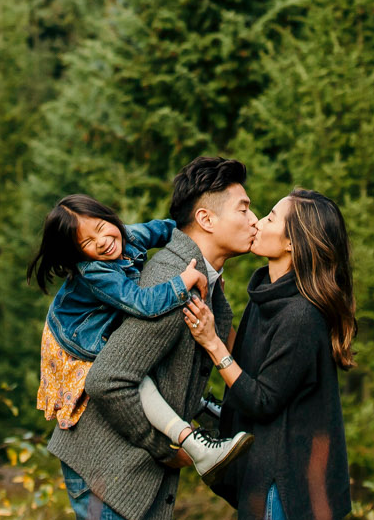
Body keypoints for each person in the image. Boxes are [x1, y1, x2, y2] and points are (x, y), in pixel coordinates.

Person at [47, 156, 259, 520]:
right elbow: (110, 382)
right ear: (206, 219)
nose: (253, 216)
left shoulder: (203, 278)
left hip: (132, 459)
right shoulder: (170, 279)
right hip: (107, 461)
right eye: (244, 206)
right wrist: (168, 447)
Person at [181, 189, 355, 520]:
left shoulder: (300, 316)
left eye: (272, 216)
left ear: (295, 245)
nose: (258, 221)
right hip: (277, 472)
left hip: (280, 483)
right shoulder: (267, 296)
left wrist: (213, 345)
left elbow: (261, 399)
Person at [26, 194, 252, 475]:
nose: (102, 241)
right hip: (79, 336)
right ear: (79, 254)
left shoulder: (129, 235)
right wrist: (184, 280)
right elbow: (142, 302)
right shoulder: (95, 272)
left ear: (109, 218)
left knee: (150, 348)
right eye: (87, 243)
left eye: (99, 228)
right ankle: (192, 442)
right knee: (130, 372)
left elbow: (171, 229)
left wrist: (206, 240)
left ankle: (200, 406)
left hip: (104, 316)